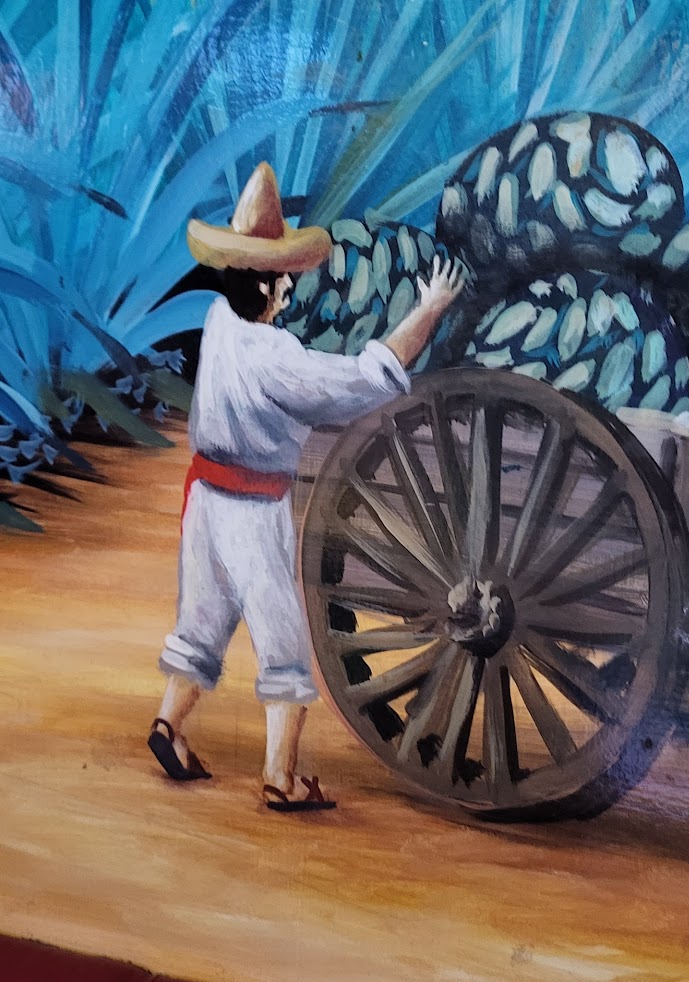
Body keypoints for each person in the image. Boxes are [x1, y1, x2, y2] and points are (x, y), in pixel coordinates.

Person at [150, 161, 466, 812]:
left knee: (203, 619)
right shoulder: (274, 358)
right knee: (284, 642)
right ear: (265, 283)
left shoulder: (218, 322)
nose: (292, 287)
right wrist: (430, 308)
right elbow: (364, 379)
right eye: (284, 278)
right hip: (252, 509)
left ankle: (168, 726)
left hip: (204, 502)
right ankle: (280, 777)